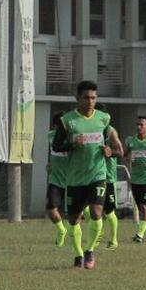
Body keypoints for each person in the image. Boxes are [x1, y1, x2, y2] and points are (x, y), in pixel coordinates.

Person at [53, 80, 113, 270]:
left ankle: (90, 251)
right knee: (73, 219)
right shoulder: (67, 121)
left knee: (97, 212)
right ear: (77, 98)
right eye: (86, 97)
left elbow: (109, 142)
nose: (90, 101)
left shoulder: (104, 118)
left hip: (98, 174)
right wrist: (72, 145)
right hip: (76, 178)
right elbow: (56, 145)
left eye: (93, 98)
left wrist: (109, 150)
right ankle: (78, 254)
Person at [45, 111, 70, 246]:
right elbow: (53, 152)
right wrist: (50, 163)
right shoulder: (50, 136)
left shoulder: (72, 137)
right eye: (60, 125)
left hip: (73, 179)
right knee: (51, 209)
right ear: (55, 126)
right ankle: (61, 230)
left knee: (79, 212)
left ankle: (94, 231)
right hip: (55, 179)